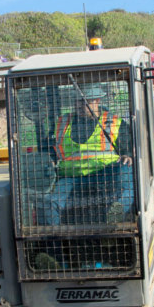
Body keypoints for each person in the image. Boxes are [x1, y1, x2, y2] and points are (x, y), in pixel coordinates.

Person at [41, 83, 134, 226]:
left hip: (105, 173)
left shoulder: (114, 123)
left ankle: (117, 211)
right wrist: (51, 159)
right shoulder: (61, 123)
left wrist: (127, 155)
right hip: (71, 177)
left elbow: (128, 146)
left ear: (97, 101)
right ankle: (57, 240)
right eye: (78, 101)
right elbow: (49, 148)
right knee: (50, 202)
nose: (80, 105)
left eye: (85, 102)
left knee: (128, 172)